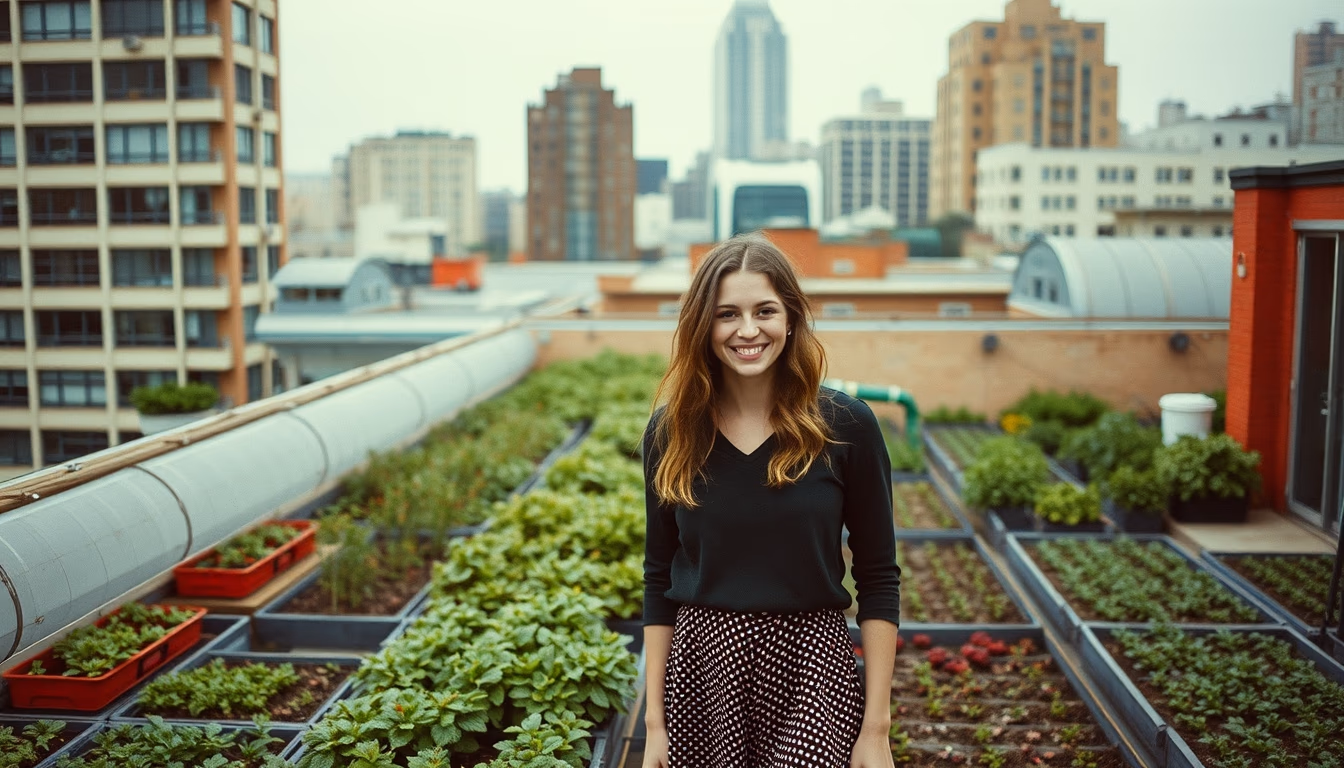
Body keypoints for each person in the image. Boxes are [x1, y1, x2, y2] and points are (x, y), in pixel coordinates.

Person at [641, 234, 901, 768]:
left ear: (791, 318)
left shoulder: (847, 426)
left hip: (812, 664)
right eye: (726, 314)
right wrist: (653, 723)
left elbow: (878, 576)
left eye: (765, 311)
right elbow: (657, 574)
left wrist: (875, 730)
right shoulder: (672, 432)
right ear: (701, 326)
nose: (748, 330)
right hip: (703, 671)